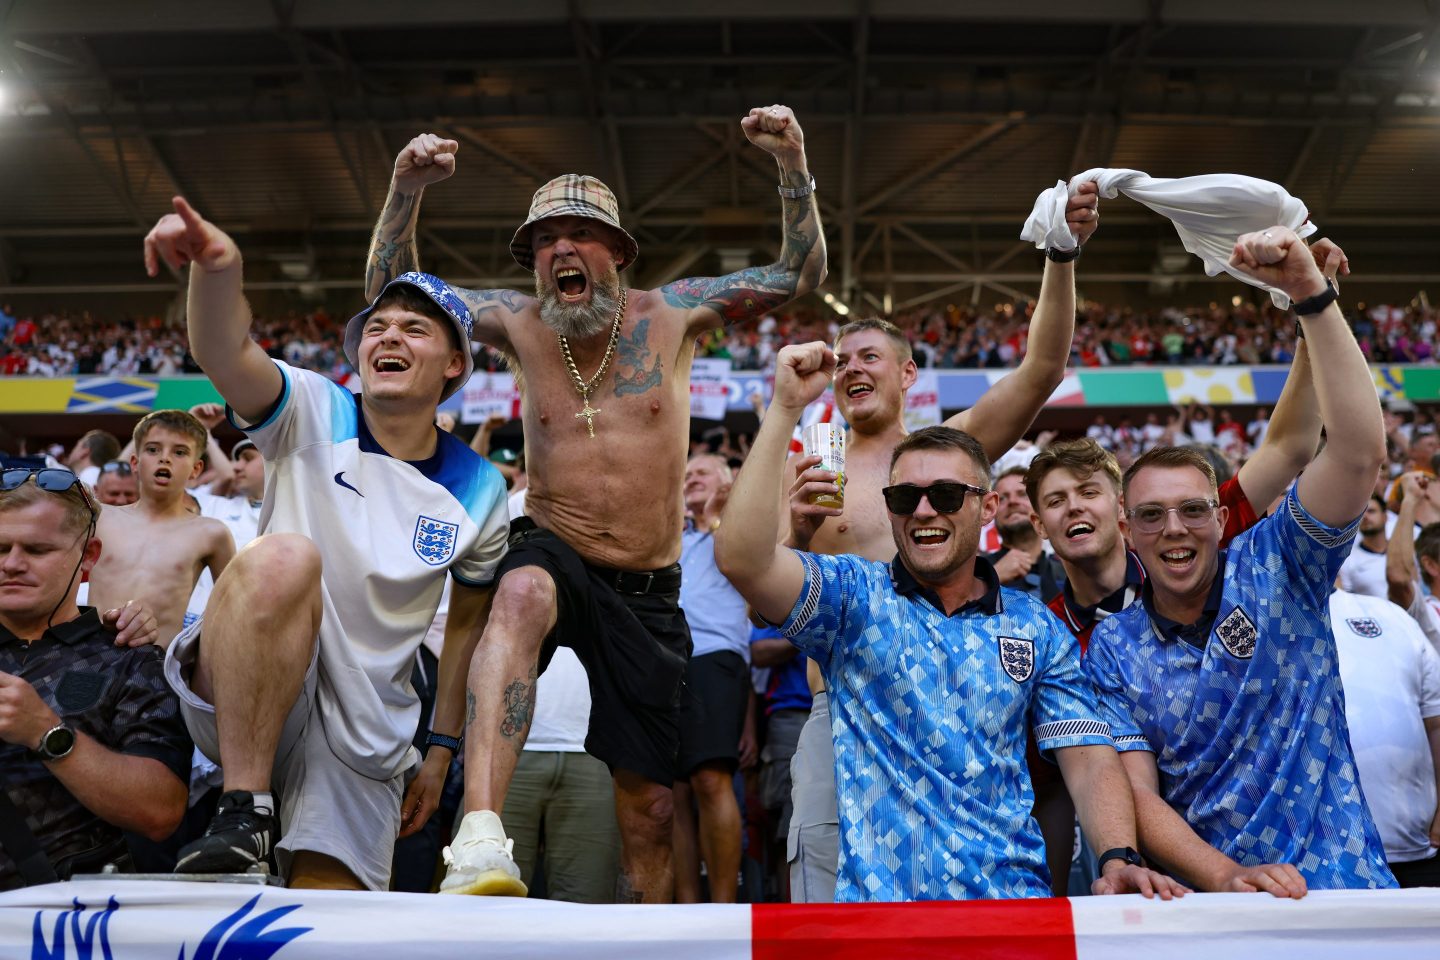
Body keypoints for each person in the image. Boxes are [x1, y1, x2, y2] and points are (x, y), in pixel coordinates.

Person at [365, 106, 825, 901]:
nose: (559, 251)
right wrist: (404, 188)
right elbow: (394, 294)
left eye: (577, 235)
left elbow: (797, 276)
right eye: (544, 241)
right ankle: (479, 838)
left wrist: (792, 164)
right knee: (519, 588)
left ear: (616, 251)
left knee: (648, 809)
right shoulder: (519, 321)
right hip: (554, 543)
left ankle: (646, 935)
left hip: (648, 587)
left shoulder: (674, 313)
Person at [715, 343, 1185, 902]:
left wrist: (1117, 855)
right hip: (880, 924)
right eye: (903, 497)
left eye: (944, 494)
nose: (923, 511)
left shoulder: (1036, 627)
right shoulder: (852, 599)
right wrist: (784, 408)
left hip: (1007, 912)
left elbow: (1085, 756)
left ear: (986, 509)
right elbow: (743, 558)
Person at [143, 199, 511, 891]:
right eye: (376, 327)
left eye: (412, 327)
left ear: (456, 362)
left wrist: (440, 752)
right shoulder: (313, 405)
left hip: (366, 728)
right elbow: (222, 350)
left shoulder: (482, 488)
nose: (387, 336)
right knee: (285, 556)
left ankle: (268, 828)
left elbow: (466, 629)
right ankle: (242, 808)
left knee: (326, 924)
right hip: (250, 685)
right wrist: (219, 269)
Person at [780, 182, 1101, 901]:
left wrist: (1061, 253)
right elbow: (761, 587)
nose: (851, 369)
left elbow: (1043, 368)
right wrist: (797, 527)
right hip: (845, 711)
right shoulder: (812, 462)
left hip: (969, 702)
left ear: (907, 373)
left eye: (867, 355)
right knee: (831, 902)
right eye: (840, 362)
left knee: (975, 891)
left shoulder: (948, 453)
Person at [1083, 222, 1397, 893]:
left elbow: (1356, 453)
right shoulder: (1112, 647)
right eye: (1151, 515)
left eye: (1194, 510)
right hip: (1211, 911)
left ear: (1222, 519)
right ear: (1126, 529)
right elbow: (1136, 793)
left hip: (1342, 893)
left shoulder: (1280, 562)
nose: (1176, 528)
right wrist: (1229, 878)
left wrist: (1314, 300)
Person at [0, 467, 185, 890]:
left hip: (66, 924)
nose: (11, 563)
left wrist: (46, 732)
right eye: (0, 547)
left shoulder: (128, 658)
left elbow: (160, 811)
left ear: (89, 556)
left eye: (36, 549)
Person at [673, 453, 754, 903]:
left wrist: (722, 516)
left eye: (702, 472)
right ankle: (687, 905)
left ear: (726, 484)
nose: (691, 480)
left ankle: (722, 905)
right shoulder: (672, 537)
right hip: (665, 661)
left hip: (715, 657)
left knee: (709, 779)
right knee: (676, 789)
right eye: (686, 476)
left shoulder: (736, 532)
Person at [87, 410, 235, 646]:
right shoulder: (101, 519)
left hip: (158, 664)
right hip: (91, 657)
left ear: (196, 470)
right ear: (135, 462)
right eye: (153, 449)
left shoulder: (211, 533)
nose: (165, 458)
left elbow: (234, 609)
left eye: (179, 452)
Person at [1329, 588, 1440, 887]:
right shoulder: (1258, 612)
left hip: (1418, 853)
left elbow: (1436, 718)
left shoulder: (1391, 615)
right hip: (1320, 862)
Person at [988, 465, 1066, 602]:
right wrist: (992, 579)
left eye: (1022, 494)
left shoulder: (1068, 573)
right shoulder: (974, 571)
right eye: (1003, 499)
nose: (1012, 501)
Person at [1338, 494, 1391, 598]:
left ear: (1385, 517)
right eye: (1361, 513)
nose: (1365, 516)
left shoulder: (1404, 552)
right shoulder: (1347, 560)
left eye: (1371, 511)